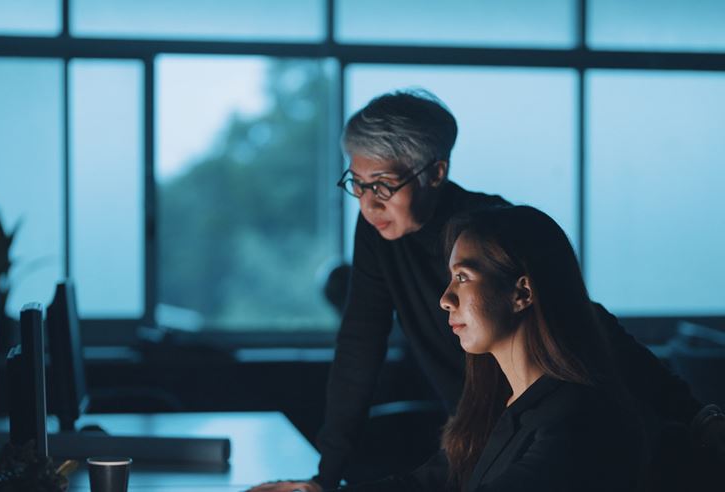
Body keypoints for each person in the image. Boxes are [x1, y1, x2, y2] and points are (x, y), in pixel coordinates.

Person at [247, 90, 709, 492]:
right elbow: (359, 343)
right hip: (484, 420)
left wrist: (696, 415)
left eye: (384, 185)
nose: (369, 203)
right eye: (358, 184)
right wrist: (326, 478)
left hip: (541, 416)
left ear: (435, 172)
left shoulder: (490, 230)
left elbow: (583, 320)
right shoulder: (378, 232)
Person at [331, 205, 646, 491]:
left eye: (463, 277)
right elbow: (423, 483)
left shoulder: (577, 419)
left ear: (522, 292)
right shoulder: (496, 405)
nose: (445, 299)